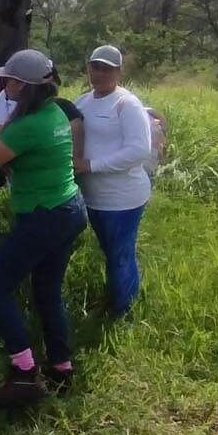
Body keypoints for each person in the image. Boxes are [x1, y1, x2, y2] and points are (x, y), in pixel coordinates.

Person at [0, 48, 89, 409]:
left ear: (22, 86)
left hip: (44, 217)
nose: (1, 82)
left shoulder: (29, 125)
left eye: (8, 79)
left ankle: (24, 371)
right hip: (68, 210)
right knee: (47, 289)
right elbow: (16, 137)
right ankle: (61, 367)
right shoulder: (53, 112)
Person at [76, 45, 153, 320]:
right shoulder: (82, 102)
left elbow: (139, 151)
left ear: (119, 72)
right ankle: (117, 299)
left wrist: (91, 166)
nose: (98, 73)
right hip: (93, 196)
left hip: (123, 198)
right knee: (110, 252)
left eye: (106, 68)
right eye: (95, 67)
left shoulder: (127, 104)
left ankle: (123, 313)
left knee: (120, 255)